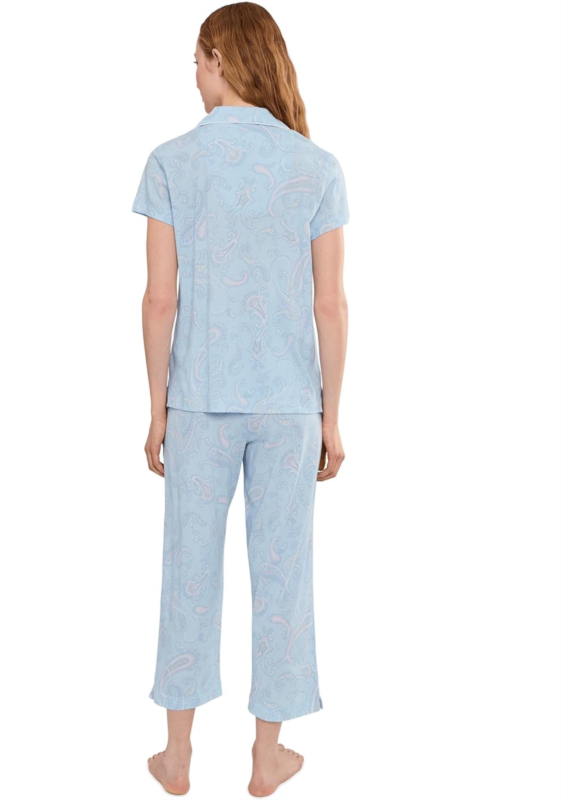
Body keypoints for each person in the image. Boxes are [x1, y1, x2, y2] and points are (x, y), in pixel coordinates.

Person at [132, 3, 349, 795]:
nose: (194, 76)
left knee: (187, 571)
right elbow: (331, 304)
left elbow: (160, 300)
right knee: (284, 577)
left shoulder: (171, 162)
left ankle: (177, 754)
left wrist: (157, 408)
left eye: (197, 61)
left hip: (199, 400)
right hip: (290, 406)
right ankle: (267, 755)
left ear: (222, 58)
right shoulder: (316, 167)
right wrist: (331, 417)